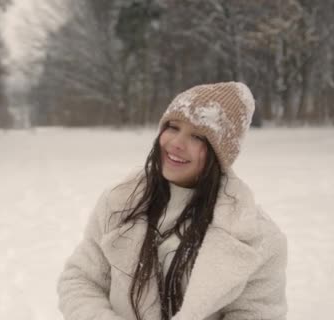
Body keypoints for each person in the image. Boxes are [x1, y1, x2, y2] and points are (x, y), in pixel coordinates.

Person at [57, 82, 287, 320]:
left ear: (221, 152)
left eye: (197, 136)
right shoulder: (119, 201)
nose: (176, 143)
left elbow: (257, 314)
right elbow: (81, 280)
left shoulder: (257, 237)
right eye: (173, 127)